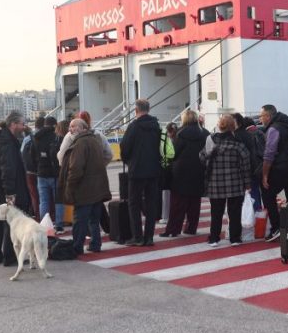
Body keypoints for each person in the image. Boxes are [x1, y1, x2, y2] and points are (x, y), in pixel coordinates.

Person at [57, 118, 112, 254]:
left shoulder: (80, 144)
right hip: (97, 188)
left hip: (84, 189)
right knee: (94, 219)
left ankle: (77, 247)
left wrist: (69, 188)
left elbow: (75, 169)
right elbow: (108, 156)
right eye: (70, 127)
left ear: (82, 128)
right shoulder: (95, 140)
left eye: (73, 127)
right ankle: (95, 244)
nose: (70, 130)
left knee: (80, 220)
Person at [0, 113, 31, 266]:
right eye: (22, 124)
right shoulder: (7, 143)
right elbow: (8, 170)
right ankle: (10, 257)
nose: (24, 127)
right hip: (6, 190)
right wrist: (10, 193)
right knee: (11, 224)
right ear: (13, 124)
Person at [200, 115, 251, 246]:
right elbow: (245, 165)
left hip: (215, 183)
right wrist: (247, 184)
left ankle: (214, 238)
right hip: (235, 183)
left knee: (216, 213)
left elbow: (202, 157)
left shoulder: (211, 140)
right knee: (234, 213)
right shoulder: (238, 144)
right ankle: (235, 238)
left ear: (220, 126)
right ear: (233, 127)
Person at [119, 99, 162, 246]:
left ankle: (137, 236)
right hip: (154, 170)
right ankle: (149, 237)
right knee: (151, 204)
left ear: (136, 110)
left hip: (137, 170)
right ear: (148, 109)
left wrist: (128, 161)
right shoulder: (156, 125)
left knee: (134, 203)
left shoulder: (134, 127)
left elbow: (124, 148)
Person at [258, 104, 288, 243]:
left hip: (280, 168)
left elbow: (269, 154)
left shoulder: (274, 129)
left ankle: (276, 227)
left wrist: (265, 175)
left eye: (262, 116)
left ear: (269, 116)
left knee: (268, 194)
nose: (260, 119)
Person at [163, 109, 208, 237]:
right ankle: (191, 228)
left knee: (177, 202)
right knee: (195, 202)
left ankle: (173, 229)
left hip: (180, 172)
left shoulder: (179, 133)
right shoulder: (205, 133)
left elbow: (173, 153)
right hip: (199, 169)